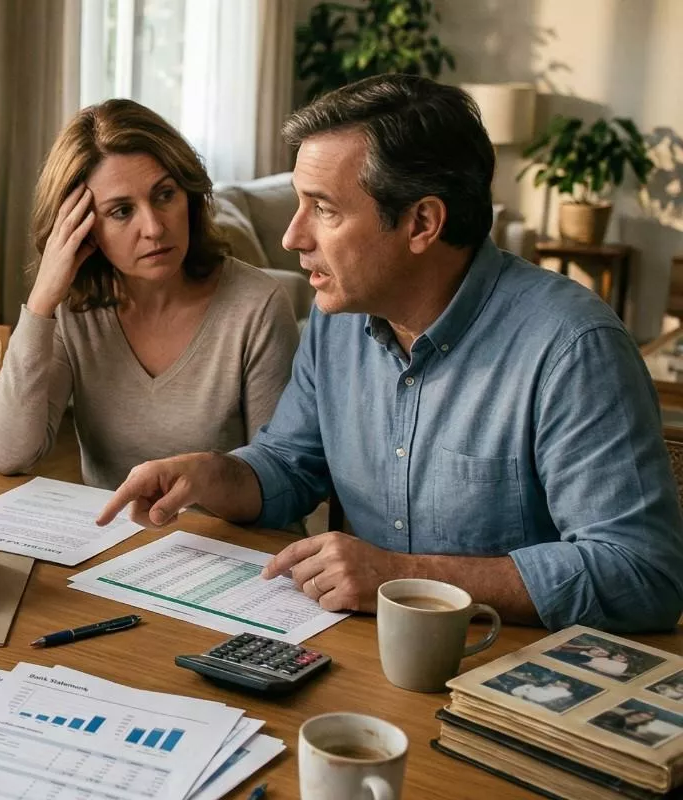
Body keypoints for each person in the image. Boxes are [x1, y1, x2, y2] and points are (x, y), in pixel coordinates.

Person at [97, 74, 683, 633]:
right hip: (362, 657)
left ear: (422, 222)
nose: (293, 236)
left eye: (323, 209)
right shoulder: (338, 321)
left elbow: (642, 573)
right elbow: (291, 465)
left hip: (504, 680)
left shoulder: (574, 349)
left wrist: (407, 577)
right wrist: (212, 473)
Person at [0, 99, 298, 490]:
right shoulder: (72, 310)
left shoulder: (257, 306)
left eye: (165, 195)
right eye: (121, 211)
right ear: (82, 228)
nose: (153, 228)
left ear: (189, 194)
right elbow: (9, 454)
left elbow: (279, 479)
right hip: (109, 546)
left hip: (226, 544)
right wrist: (42, 300)